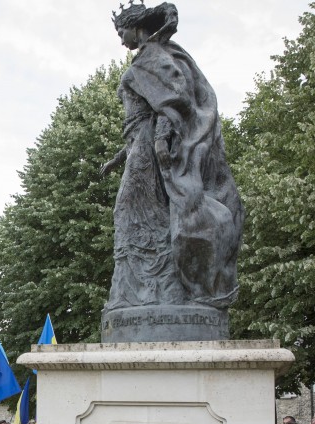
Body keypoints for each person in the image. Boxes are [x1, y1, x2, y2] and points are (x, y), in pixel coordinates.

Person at [99, 2, 243, 314]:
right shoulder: (150, 58)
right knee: (142, 219)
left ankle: (150, 291)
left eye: (121, 31)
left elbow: (173, 101)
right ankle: (144, 292)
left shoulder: (153, 58)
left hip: (151, 153)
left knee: (136, 216)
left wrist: (163, 138)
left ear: (136, 26)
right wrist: (118, 157)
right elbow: (142, 126)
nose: (121, 39)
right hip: (142, 148)